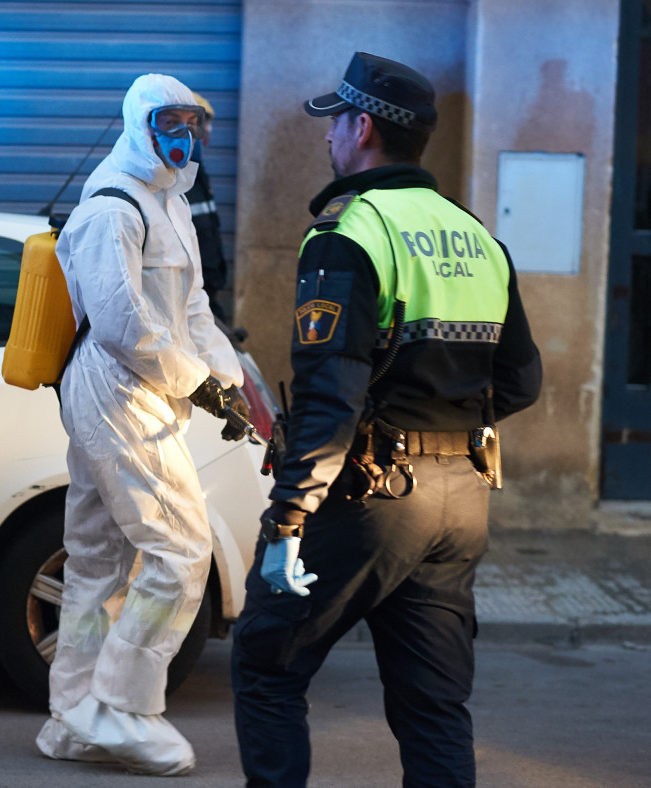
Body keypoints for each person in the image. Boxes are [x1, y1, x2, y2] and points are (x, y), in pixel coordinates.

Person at [230, 52, 542, 787]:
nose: (328, 137)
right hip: (460, 501)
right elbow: (522, 380)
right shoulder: (476, 237)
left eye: (335, 121)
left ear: (361, 126)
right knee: (433, 707)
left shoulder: (350, 233)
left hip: (368, 500)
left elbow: (331, 398)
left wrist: (287, 521)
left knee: (266, 661)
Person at [35, 73, 250, 776]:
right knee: (183, 550)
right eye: (170, 123)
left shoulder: (170, 205)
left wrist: (227, 379)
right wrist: (197, 383)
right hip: (114, 388)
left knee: (99, 559)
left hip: (148, 390)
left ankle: (71, 716)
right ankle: (124, 708)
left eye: (193, 124)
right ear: (140, 124)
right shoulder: (112, 209)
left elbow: (192, 311)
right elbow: (125, 326)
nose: (184, 137)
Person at [184, 92, 230, 323]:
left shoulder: (198, 176)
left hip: (208, 298)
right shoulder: (175, 181)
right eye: (203, 125)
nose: (208, 133)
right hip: (190, 303)